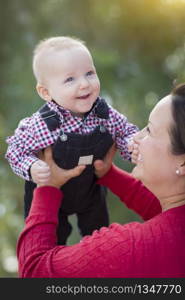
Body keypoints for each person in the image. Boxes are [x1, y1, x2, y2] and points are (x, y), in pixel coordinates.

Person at [17, 84, 185, 278]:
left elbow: (34, 273)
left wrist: (46, 188)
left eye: (150, 130)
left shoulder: (129, 249)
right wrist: (108, 174)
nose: (137, 136)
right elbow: (162, 213)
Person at [5, 36, 138, 245]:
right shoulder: (41, 125)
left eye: (89, 73)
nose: (84, 84)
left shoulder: (105, 114)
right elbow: (15, 151)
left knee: (101, 239)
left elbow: (125, 131)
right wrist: (31, 166)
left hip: (90, 190)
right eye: (70, 79)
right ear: (46, 92)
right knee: (49, 243)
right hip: (49, 196)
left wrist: (132, 146)